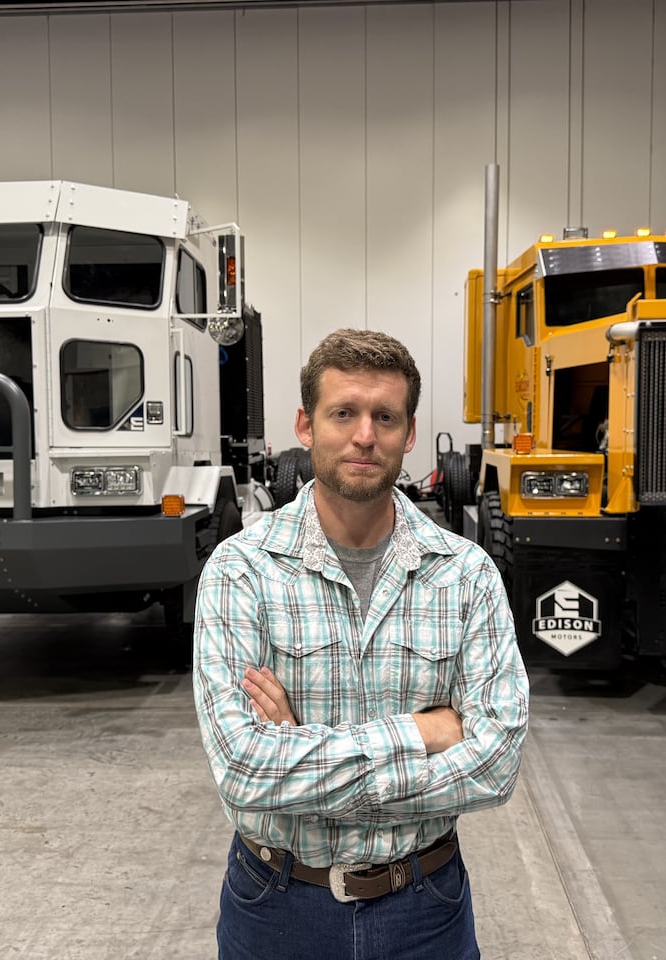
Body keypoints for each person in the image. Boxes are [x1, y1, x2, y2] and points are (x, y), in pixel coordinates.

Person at [192, 328, 529, 960]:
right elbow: (243, 770)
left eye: (385, 417)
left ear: (409, 430)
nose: (365, 436)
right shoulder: (242, 571)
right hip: (276, 905)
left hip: (424, 907)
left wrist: (296, 748)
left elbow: (497, 766)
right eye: (343, 412)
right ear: (305, 424)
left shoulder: (466, 574)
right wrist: (424, 734)